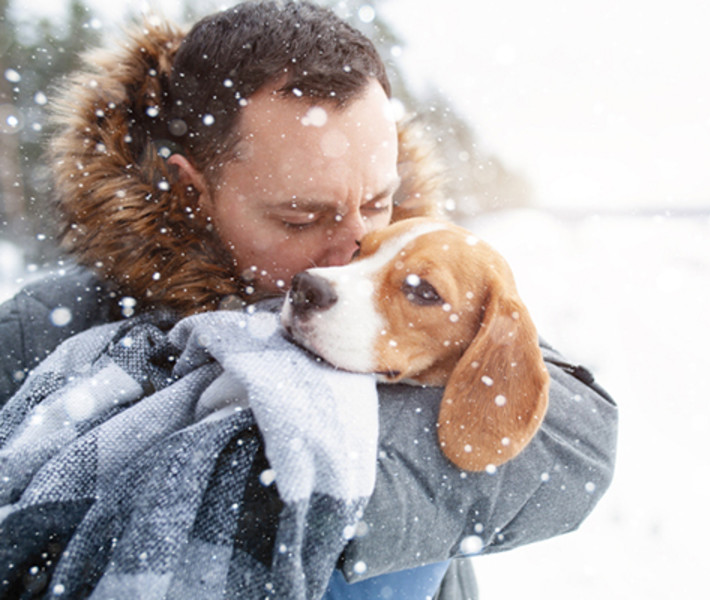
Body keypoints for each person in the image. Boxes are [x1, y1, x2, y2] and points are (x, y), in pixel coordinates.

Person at [0, 2, 618, 598]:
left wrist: (294, 477)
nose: (354, 247)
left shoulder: (430, 291)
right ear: (190, 191)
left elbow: (576, 440)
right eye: (300, 217)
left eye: (377, 202)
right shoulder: (37, 333)